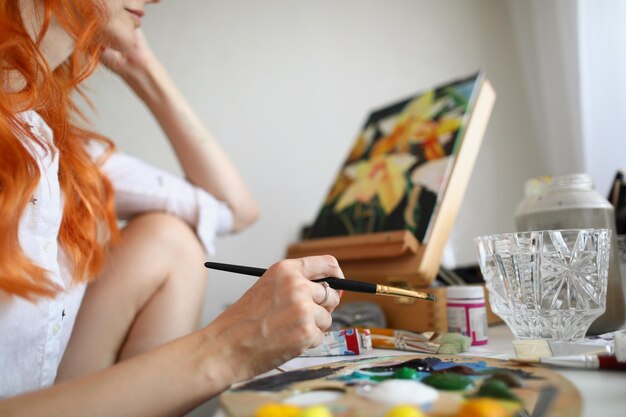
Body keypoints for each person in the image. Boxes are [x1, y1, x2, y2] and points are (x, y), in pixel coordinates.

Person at [0, 1, 342, 415]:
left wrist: (141, 68)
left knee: (171, 238)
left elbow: (234, 209)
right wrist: (231, 345)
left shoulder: (52, 143)